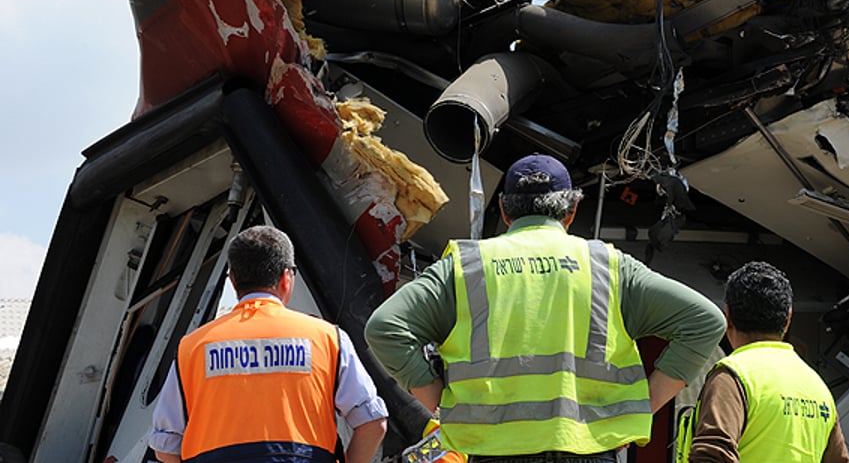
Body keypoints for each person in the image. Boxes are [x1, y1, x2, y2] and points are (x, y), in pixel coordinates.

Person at [365, 153, 726, 462]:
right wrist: (644, 406)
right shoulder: (609, 267)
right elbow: (705, 321)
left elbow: (384, 327)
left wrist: (435, 398)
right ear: (571, 211)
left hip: (495, 452)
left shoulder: (467, 267)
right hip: (590, 450)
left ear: (505, 210)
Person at [149, 225, 388, 463]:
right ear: (286, 278)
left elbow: (166, 445)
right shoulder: (327, 338)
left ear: (233, 282)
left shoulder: (192, 347)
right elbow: (373, 423)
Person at [682, 261, 849, 463]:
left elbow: (712, 456)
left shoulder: (734, 377)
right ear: (788, 318)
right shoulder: (818, 389)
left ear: (727, 316)